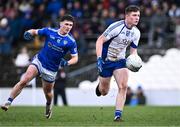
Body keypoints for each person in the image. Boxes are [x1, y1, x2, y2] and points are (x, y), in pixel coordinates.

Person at [1, 14, 78, 119]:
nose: (69, 27)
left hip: (51, 69)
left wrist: (67, 63)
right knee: (24, 80)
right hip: (39, 61)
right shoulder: (49, 31)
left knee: (48, 93)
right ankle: (8, 102)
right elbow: (34, 31)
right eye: (66, 24)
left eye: (70, 25)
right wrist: (28, 32)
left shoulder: (71, 41)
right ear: (60, 24)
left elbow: (75, 58)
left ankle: (48, 106)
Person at [95, 5, 141, 121]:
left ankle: (118, 115)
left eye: (138, 15)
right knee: (104, 92)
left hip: (120, 61)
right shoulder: (116, 27)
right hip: (106, 60)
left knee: (123, 86)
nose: (137, 18)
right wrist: (99, 58)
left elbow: (133, 51)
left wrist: (135, 60)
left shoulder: (136, 33)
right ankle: (100, 87)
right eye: (134, 15)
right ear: (127, 16)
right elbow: (100, 40)